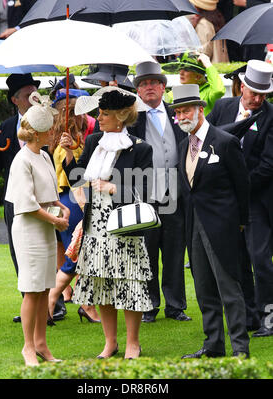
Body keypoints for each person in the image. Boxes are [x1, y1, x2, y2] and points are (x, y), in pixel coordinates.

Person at [61, 88, 153, 359]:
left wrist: (113, 187)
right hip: (96, 225)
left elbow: (145, 188)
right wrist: (68, 153)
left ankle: (133, 343)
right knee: (102, 285)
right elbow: (77, 177)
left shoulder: (140, 148)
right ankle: (110, 342)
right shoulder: (93, 142)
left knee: (129, 283)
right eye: (99, 113)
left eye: (104, 114)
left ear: (121, 116)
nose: (98, 118)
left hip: (124, 225)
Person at [172, 83, 250, 359]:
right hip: (193, 228)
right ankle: (213, 345)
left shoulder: (225, 142)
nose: (182, 116)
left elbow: (243, 188)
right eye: (178, 112)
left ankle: (240, 349)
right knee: (204, 290)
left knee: (229, 290)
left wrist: (239, 223)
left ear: (200, 109)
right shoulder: (183, 146)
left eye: (186, 110)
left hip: (223, 228)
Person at [207, 59, 273, 337]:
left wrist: (241, 190)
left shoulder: (271, 116)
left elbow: (268, 165)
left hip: (256, 200)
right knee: (236, 259)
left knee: (259, 257)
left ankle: (269, 315)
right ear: (242, 87)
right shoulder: (222, 108)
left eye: (263, 94)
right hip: (223, 201)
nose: (257, 99)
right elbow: (206, 140)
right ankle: (250, 316)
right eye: (253, 92)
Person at [4, 92, 70, 366]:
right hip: (30, 228)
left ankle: (42, 344)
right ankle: (28, 347)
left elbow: (49, 194)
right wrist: (55, 219)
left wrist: (60, 207)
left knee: (44, 288)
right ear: (41, 132)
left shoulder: (43, 156)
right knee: (32, 290)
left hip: (44, 226)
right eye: (51, 129)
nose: (53, 133)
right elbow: (28, 205)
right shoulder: (22, 160)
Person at [128, 61, 191, 323]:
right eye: (143, 84)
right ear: (138, 91)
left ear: (164, 87)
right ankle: (149, 305)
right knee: (148, 250)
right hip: (146, 193)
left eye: (154, 82)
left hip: (175, 192)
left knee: (175, 250)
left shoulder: (177, 112)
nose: (149, 87)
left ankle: (175, 306)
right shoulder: (131, 118)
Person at [0, 73, 40, 322]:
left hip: (41, 197)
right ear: (15, 99)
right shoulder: (6, 127)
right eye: (27, 93)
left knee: (46, 249)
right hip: (13, 199)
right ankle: (28, 304)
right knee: (18, 250)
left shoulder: (44, 122)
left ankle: (54, 304)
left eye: (34, 91)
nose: (33, 96)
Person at [47, 88, 100, 323]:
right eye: (80, 111)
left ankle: (83, 304)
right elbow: (73, 178)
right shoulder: (64, 143)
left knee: (78, 254)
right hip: (73, 199)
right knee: (76, 255)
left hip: (69, 199)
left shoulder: (69, 138)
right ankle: (54, 301)